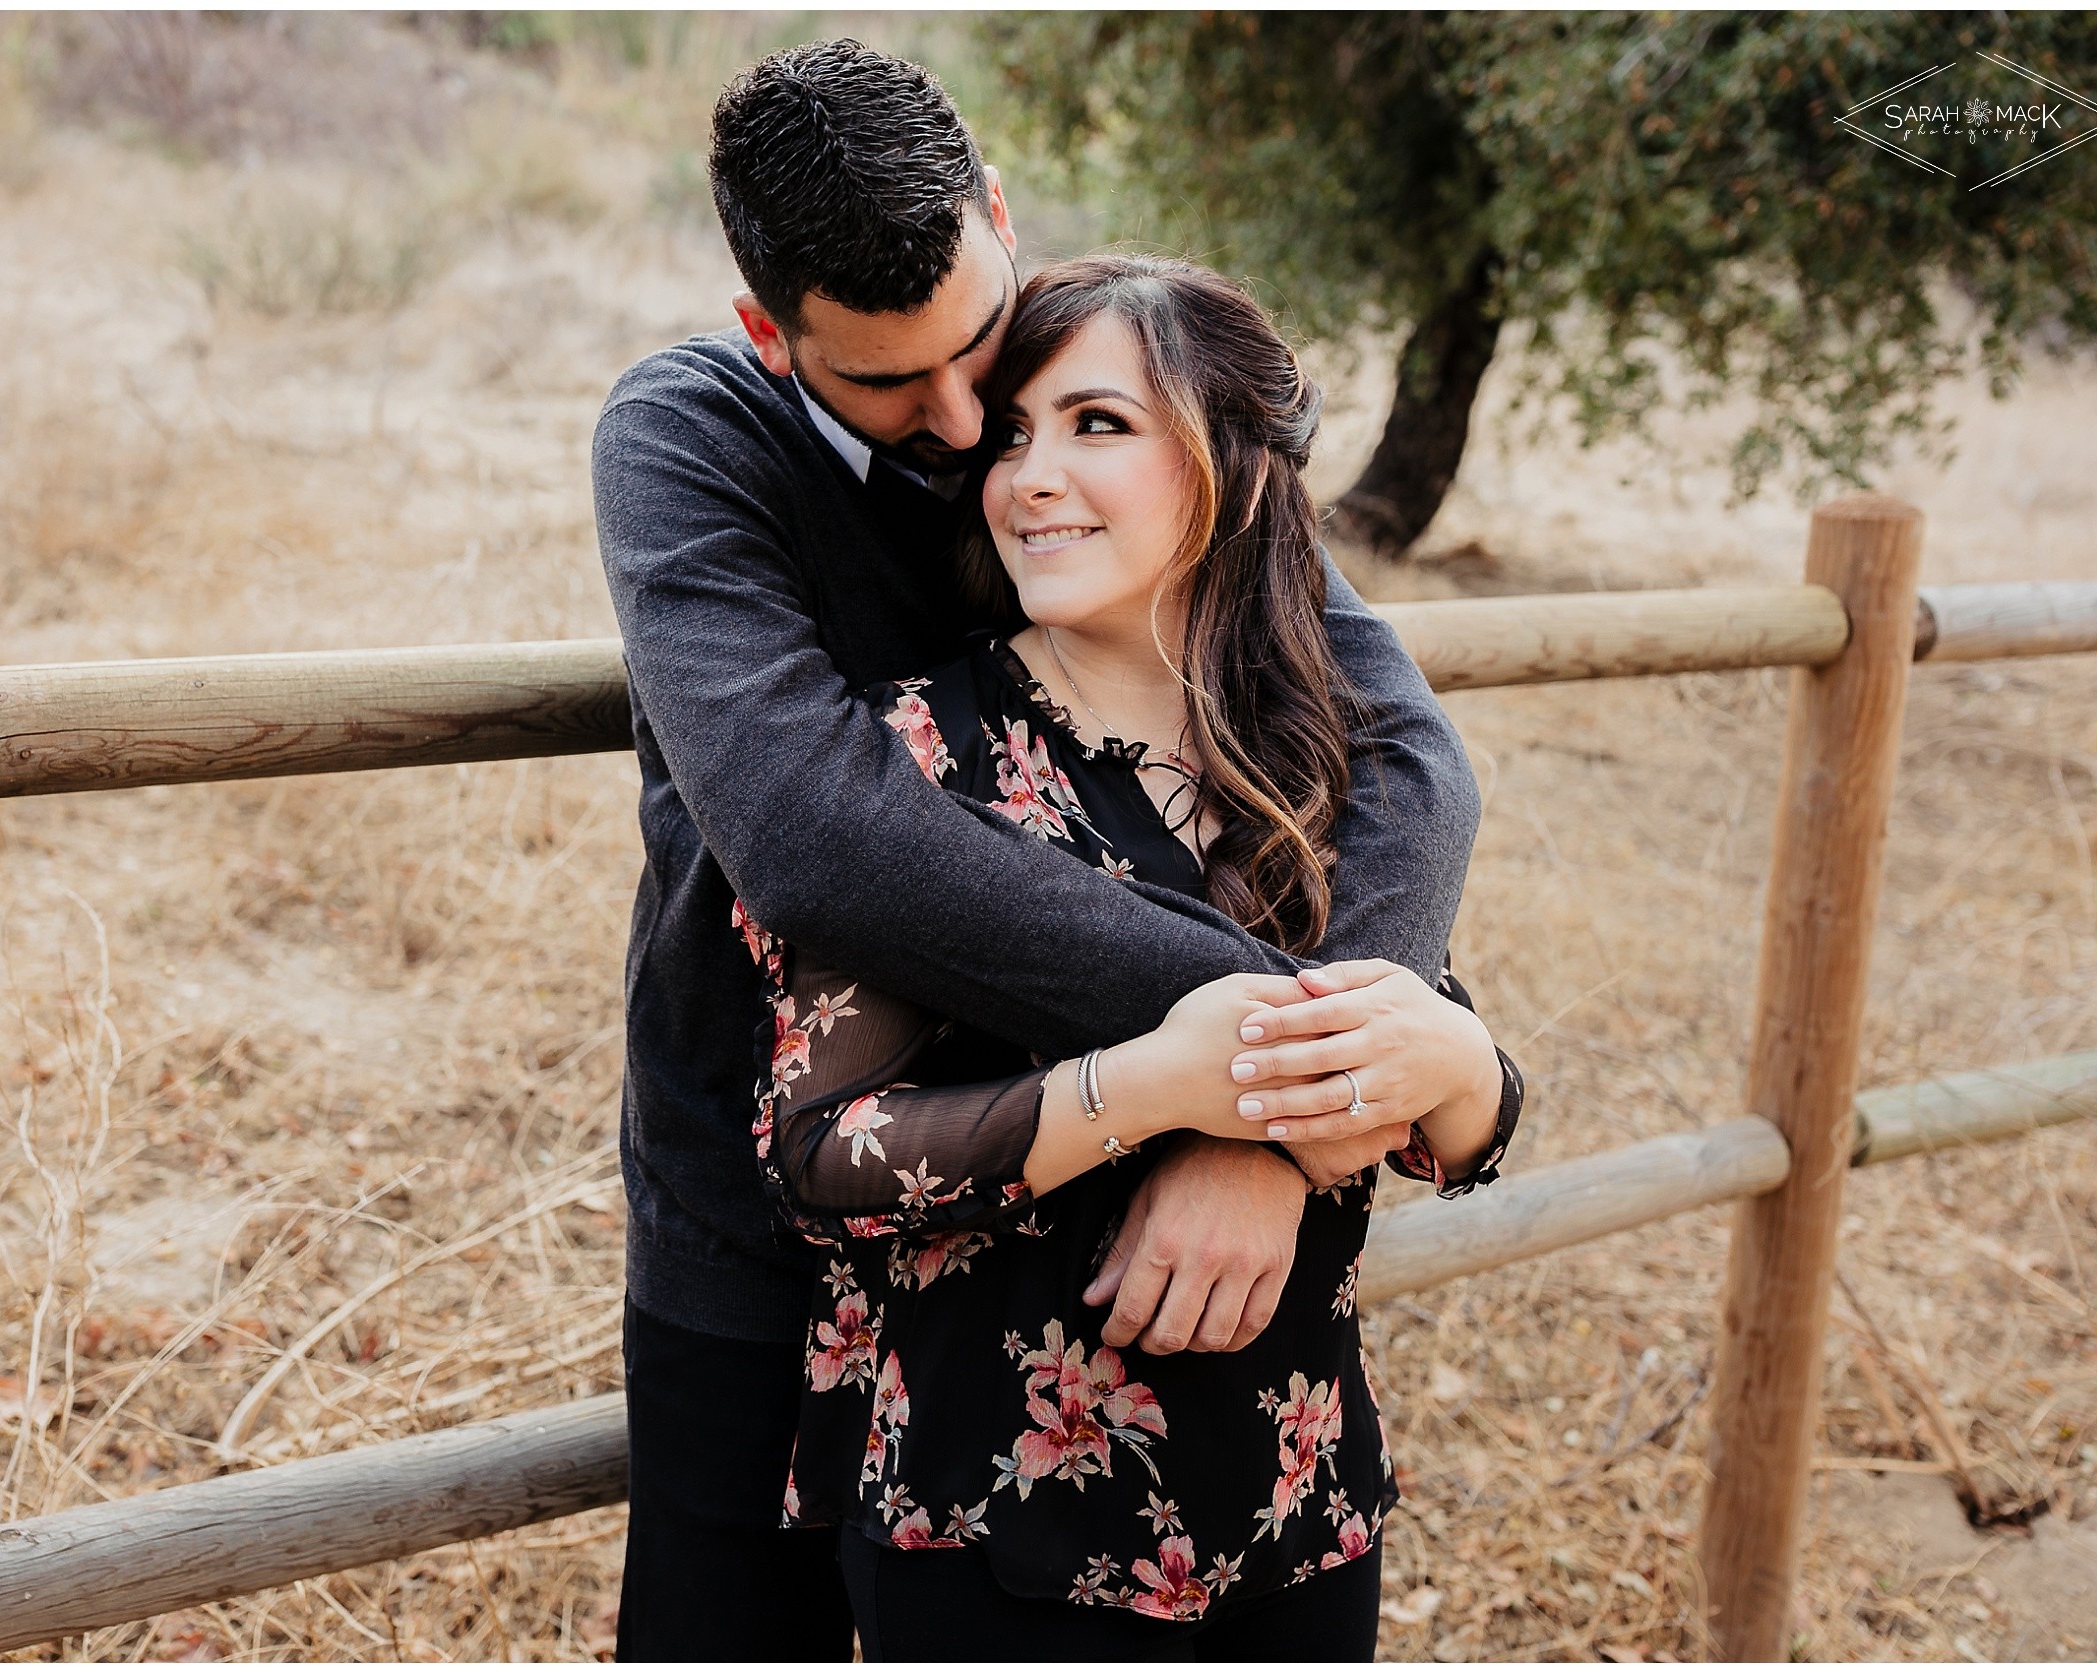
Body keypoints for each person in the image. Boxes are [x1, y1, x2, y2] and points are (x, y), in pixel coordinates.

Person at [592, 40, 1484, 1661]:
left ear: (999, 216)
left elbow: (1406, 744)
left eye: (978, 363)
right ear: (767, 332)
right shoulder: (689, 438)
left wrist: (1268, 1118)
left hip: (1104, 1252)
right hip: (764, 1194)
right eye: (884, 386)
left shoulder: (1094, 393)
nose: (958, 429)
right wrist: (1289, 1054)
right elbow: (817, 839)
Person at [752, 253, 1523, 1659]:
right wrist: (1155, 1087)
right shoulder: (915, 755)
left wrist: (1461, 1063)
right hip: (990, 1526)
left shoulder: (1328, 764)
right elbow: (820, 1150)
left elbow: (1441, 1108)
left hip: (1294, 1509)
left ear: (1233, 462)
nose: (1033, 474)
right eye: (1014, 435)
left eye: (1098, 424)